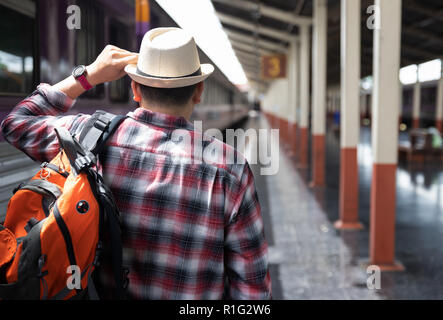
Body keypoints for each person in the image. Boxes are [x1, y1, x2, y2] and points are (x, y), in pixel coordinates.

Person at [1, 27, 271, 300]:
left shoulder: (85, 135)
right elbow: (252, 289)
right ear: (199, 90)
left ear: (134, 89)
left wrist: (88, 76)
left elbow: (17, 124)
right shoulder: (231, 167)